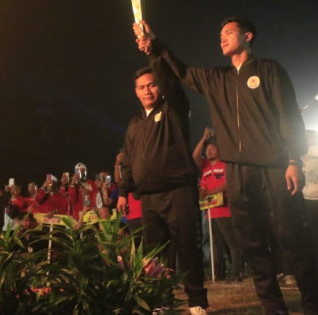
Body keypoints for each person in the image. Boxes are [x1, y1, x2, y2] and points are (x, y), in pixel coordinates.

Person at [137, 17, 318, 315]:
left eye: (228, 33)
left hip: (275, 167)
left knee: (291, 237)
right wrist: (154, 46)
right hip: (237, 170)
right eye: (220, 34)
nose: (221, 38)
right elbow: (179, 70)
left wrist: (292, 159)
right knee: (252, 242)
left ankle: (312, 301)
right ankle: (273, 307)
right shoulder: (216, 78)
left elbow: (289, 115)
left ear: (247, 36)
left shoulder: (269, 69)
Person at [116, 59, 208, 314]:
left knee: (187, 246)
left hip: (178, 190)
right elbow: (127, 159)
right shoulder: (135, 123)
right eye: (141, 87)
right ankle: (162, 300)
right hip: (148, 197)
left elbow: (173, 85)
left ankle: (196, 301)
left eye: (152, 84)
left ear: (161, 86)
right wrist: (123, 191)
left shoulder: (173, 110)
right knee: (154, 253)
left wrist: (153, 53)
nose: (147, 91)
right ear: (135, 91)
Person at [192, 128, 244, 282]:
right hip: (210, 211)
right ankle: (218, 272)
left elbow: (228, 184)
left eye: (212, 148)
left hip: (226, 209)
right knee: (216, 244)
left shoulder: (226, 164)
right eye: (207, 149)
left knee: (232, 242)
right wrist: (204, 138)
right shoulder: (206, 166)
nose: (208, 151)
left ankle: (237, 272)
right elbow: (195, 156)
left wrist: (209, 192)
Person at [302, 130, 318, 273]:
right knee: (313, 235)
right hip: (308, 198)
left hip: (314, 197)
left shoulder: (313, 150)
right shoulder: (301, 155)